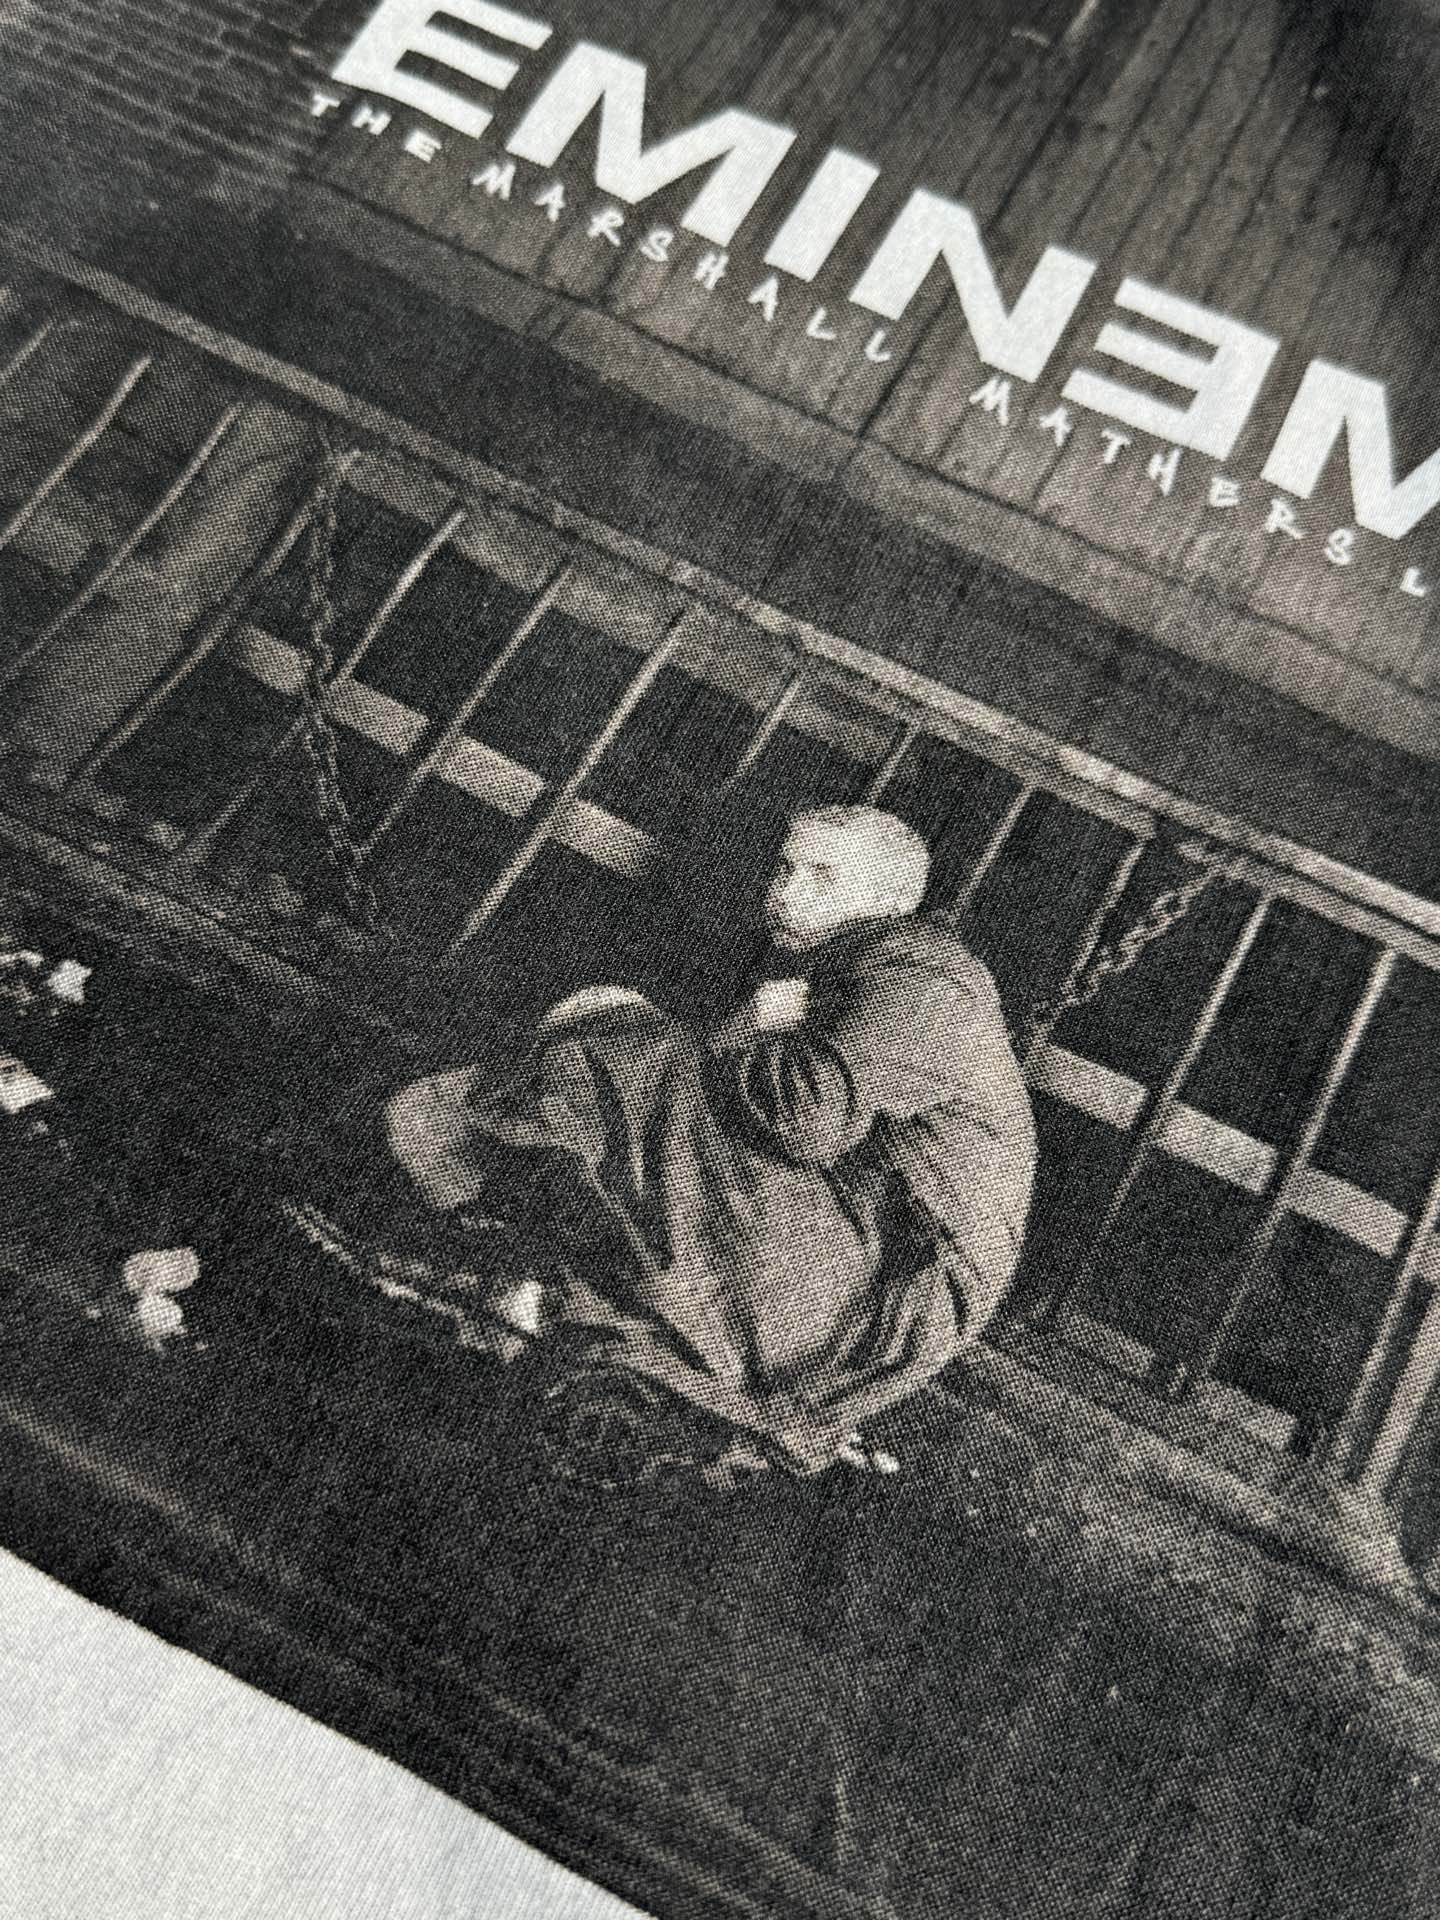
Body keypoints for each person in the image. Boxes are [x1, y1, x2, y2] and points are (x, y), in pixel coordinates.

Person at [386, 805, 1038, 1474]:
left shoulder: (926, 977)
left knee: (634, 1050)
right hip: (846, 1251)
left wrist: (742, 1023)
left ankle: (522, 1253)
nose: (786, 892)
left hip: (880, 1290)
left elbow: (808, 1118)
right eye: (786, 868)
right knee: (618, 1052)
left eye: (823, 876)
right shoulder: (863, 961)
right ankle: (537, 1268)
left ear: (892, 900)